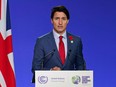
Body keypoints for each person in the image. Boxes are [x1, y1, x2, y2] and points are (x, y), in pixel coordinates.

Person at [31, 5, 86, 83]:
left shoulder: (76, 41)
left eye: (63, 19)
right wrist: (50, 72)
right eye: (57, 19)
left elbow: (80, 66)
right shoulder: (41, 41)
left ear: (68, 21)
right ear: (51, 20)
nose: (60, 22)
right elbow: (35, 68)